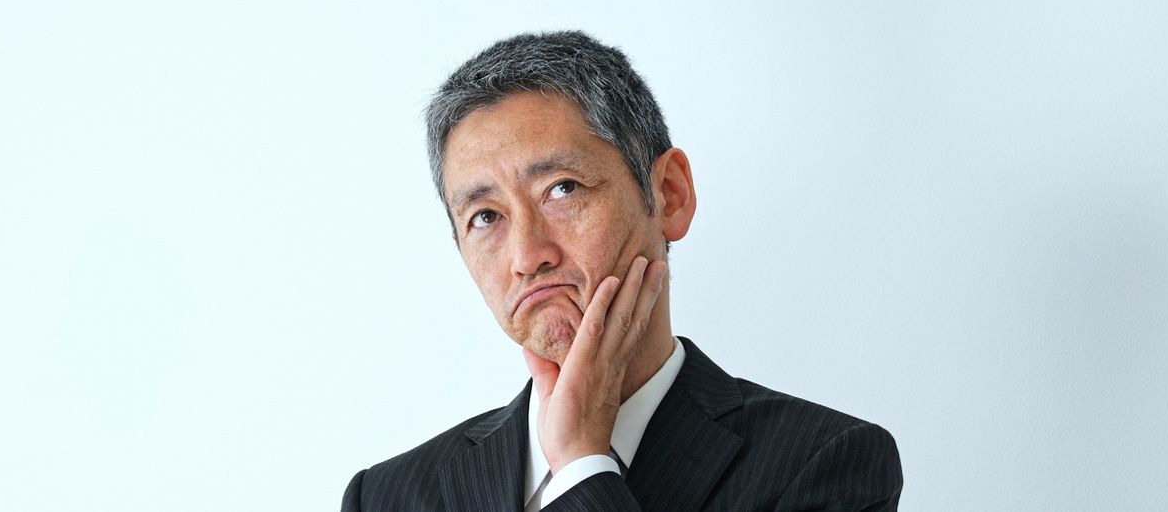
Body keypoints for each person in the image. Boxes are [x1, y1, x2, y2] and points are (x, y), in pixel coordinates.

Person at [342, 31, 902, 511]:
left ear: (670, 194)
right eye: (485, 217)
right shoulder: (386, 497)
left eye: (562, 189)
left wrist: (581, 467)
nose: (527, 256)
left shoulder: (825, 464)